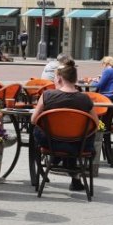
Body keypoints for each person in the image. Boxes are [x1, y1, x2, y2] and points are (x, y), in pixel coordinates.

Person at [31, 59, 94, 192]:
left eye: (54, 78)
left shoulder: (47, 95)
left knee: (38, 130)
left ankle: (46, 168)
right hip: (77, 145)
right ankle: (74, 176)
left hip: (51, 143)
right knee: (77, 136)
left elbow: (33, 119)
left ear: (59, 79)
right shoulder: (85, 99)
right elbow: (95, 123)